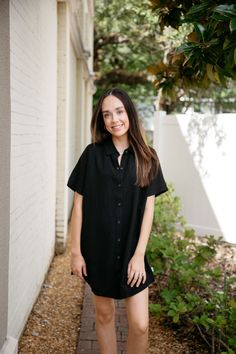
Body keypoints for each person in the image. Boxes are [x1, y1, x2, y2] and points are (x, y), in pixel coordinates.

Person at [67, 88, 168, 354]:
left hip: (132, 252)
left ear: (130, 114)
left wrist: (139, 255)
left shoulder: (148, 156)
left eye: (119, 112)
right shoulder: (92, 155)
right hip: (98, 250)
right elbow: (78, 206)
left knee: (140, 325)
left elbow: (148, 211)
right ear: (102, 120)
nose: (114, 119)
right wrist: (76, 253)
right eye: (107, 114)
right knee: (104, 316)